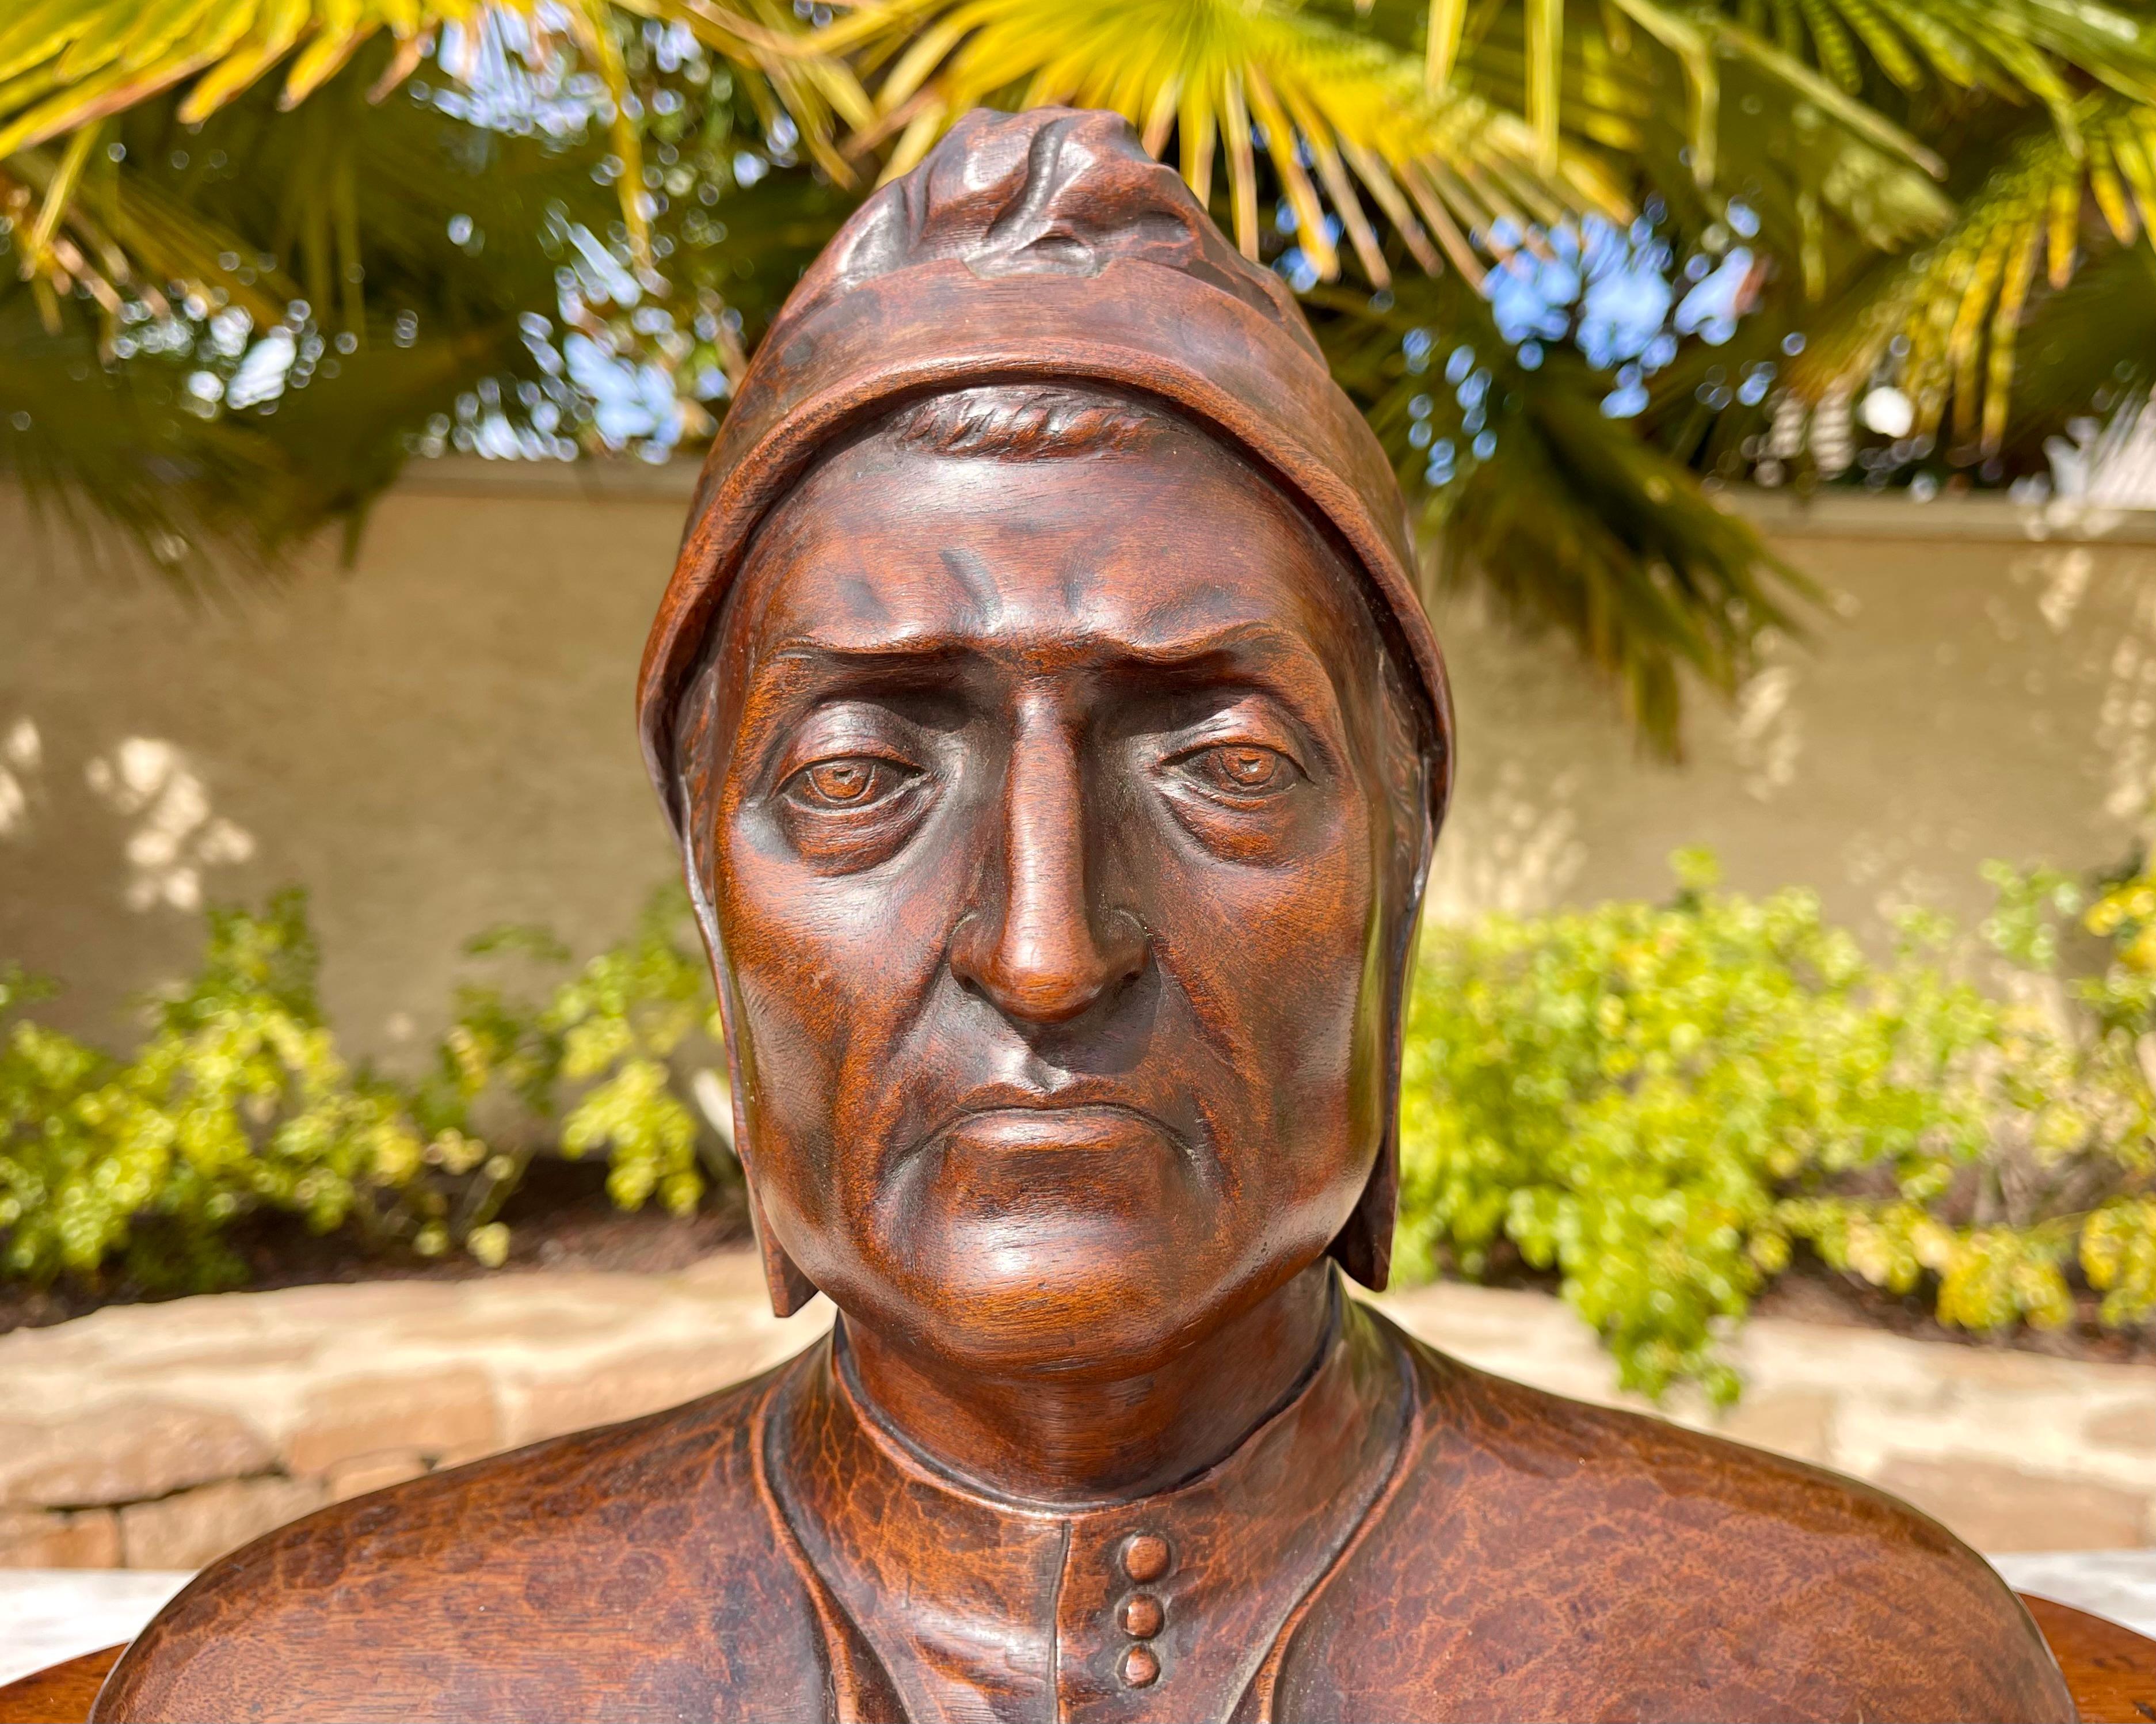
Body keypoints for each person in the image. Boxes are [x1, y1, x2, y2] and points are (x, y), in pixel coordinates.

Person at [94, 107, 2073, 1723]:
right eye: (862, 775)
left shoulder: (1819, 1663)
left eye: (1219, 761)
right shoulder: (331, 1683)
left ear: (1398, 874)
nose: (1045, 949)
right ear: (712, 897)